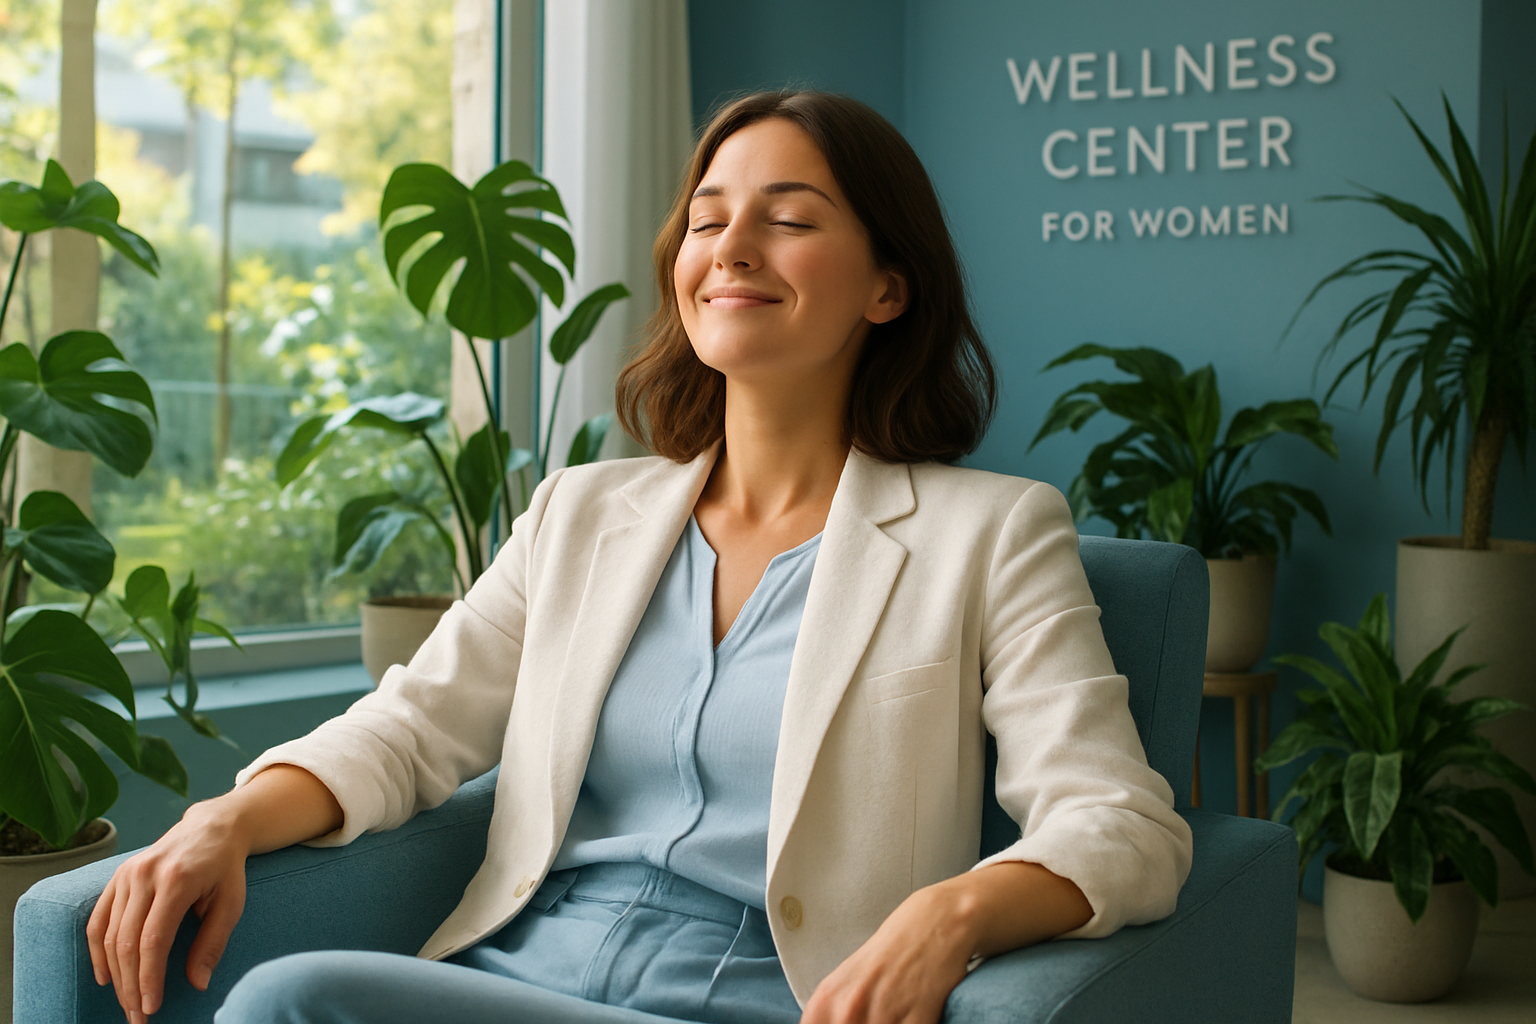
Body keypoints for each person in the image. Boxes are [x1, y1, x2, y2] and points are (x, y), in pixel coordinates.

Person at [87, 90, 1193, 1024]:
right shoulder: (580, 512)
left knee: (291, 1002)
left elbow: (1122, 821)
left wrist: (949, 914)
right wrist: (222, 818)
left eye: (789, 219)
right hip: (515, 979)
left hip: (762, 1000)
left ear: (887, 287)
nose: (732, 248)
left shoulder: (991, 532)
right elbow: (415, 724)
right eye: (708, 220)